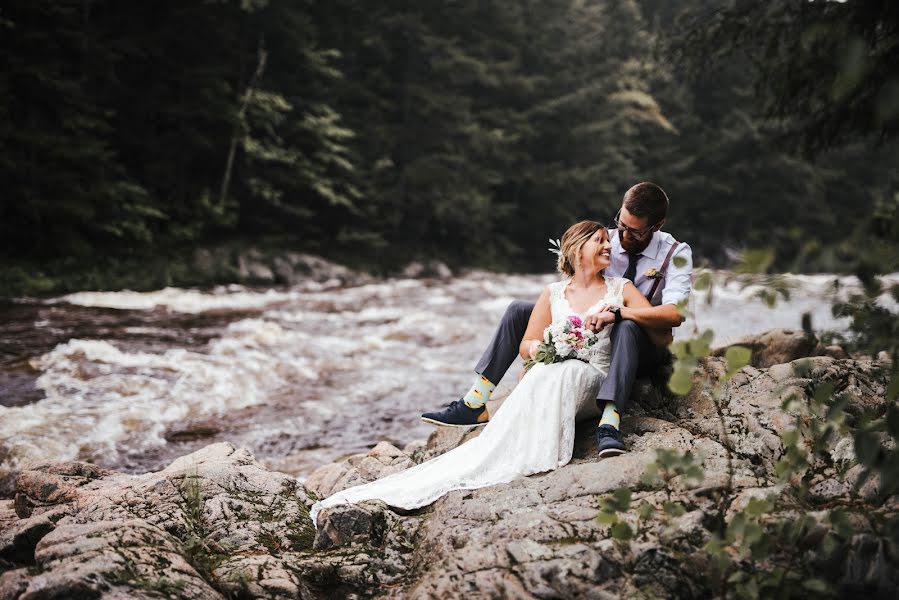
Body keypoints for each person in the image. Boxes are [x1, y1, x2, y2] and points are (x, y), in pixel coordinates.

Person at [311, 221, 657, 522]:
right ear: (578, 249)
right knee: (540, 374)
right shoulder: (553, 293)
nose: (609, 246)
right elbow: (527, 344)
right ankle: (482, 411)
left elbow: (658, 317)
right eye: (600, 241)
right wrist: (543, 348)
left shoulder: (619, 289)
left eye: (608, 241)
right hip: (558, 364)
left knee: (562, 375)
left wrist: (617, 313)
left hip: (592, 374)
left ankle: (600, 423)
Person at [421, 182, 693, 457]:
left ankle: (609, 423)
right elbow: (574, 291)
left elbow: (675, 314)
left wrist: (619, 312)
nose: (621, 236)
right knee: (518, 310)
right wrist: (544, 348)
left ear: (657, 226)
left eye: (634, 232)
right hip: (595, 334)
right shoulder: (604, 241)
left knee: (626, 324)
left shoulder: (675, 253)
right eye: (620, 224)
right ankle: (475, 401)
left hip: (643, 341)